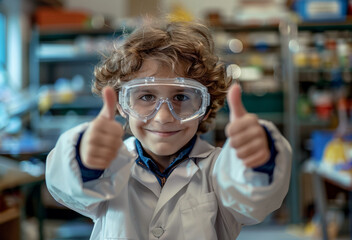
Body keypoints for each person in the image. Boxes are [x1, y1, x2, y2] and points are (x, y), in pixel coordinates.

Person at [45, 20, 292, 240]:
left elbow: (254, 198)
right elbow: (67, 187)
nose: (163, 117)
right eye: (146, 97)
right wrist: (85, 160)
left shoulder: (219, 170)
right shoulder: (107, 169)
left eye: (182, 97)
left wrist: (260, 159)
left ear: (205, 107)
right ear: (122, 105)